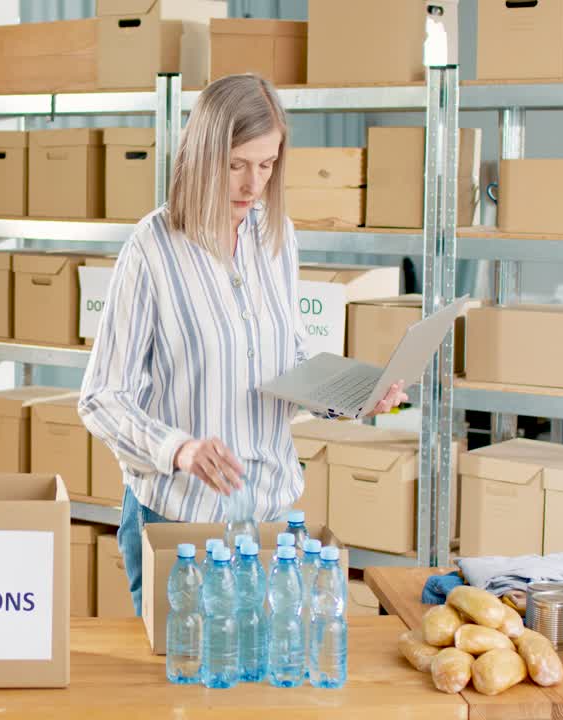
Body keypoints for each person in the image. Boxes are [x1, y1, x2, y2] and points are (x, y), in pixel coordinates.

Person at [78, 74, 407, 614]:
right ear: (202, 156)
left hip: (271, 519)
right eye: (236, 165)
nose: (253, 185)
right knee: (185, 668)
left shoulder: (276, 235)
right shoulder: (153, 248)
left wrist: (353, 398)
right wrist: (180, 450)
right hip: (182, 522)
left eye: (267, 165)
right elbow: (101, 398)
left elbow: (289, 361)